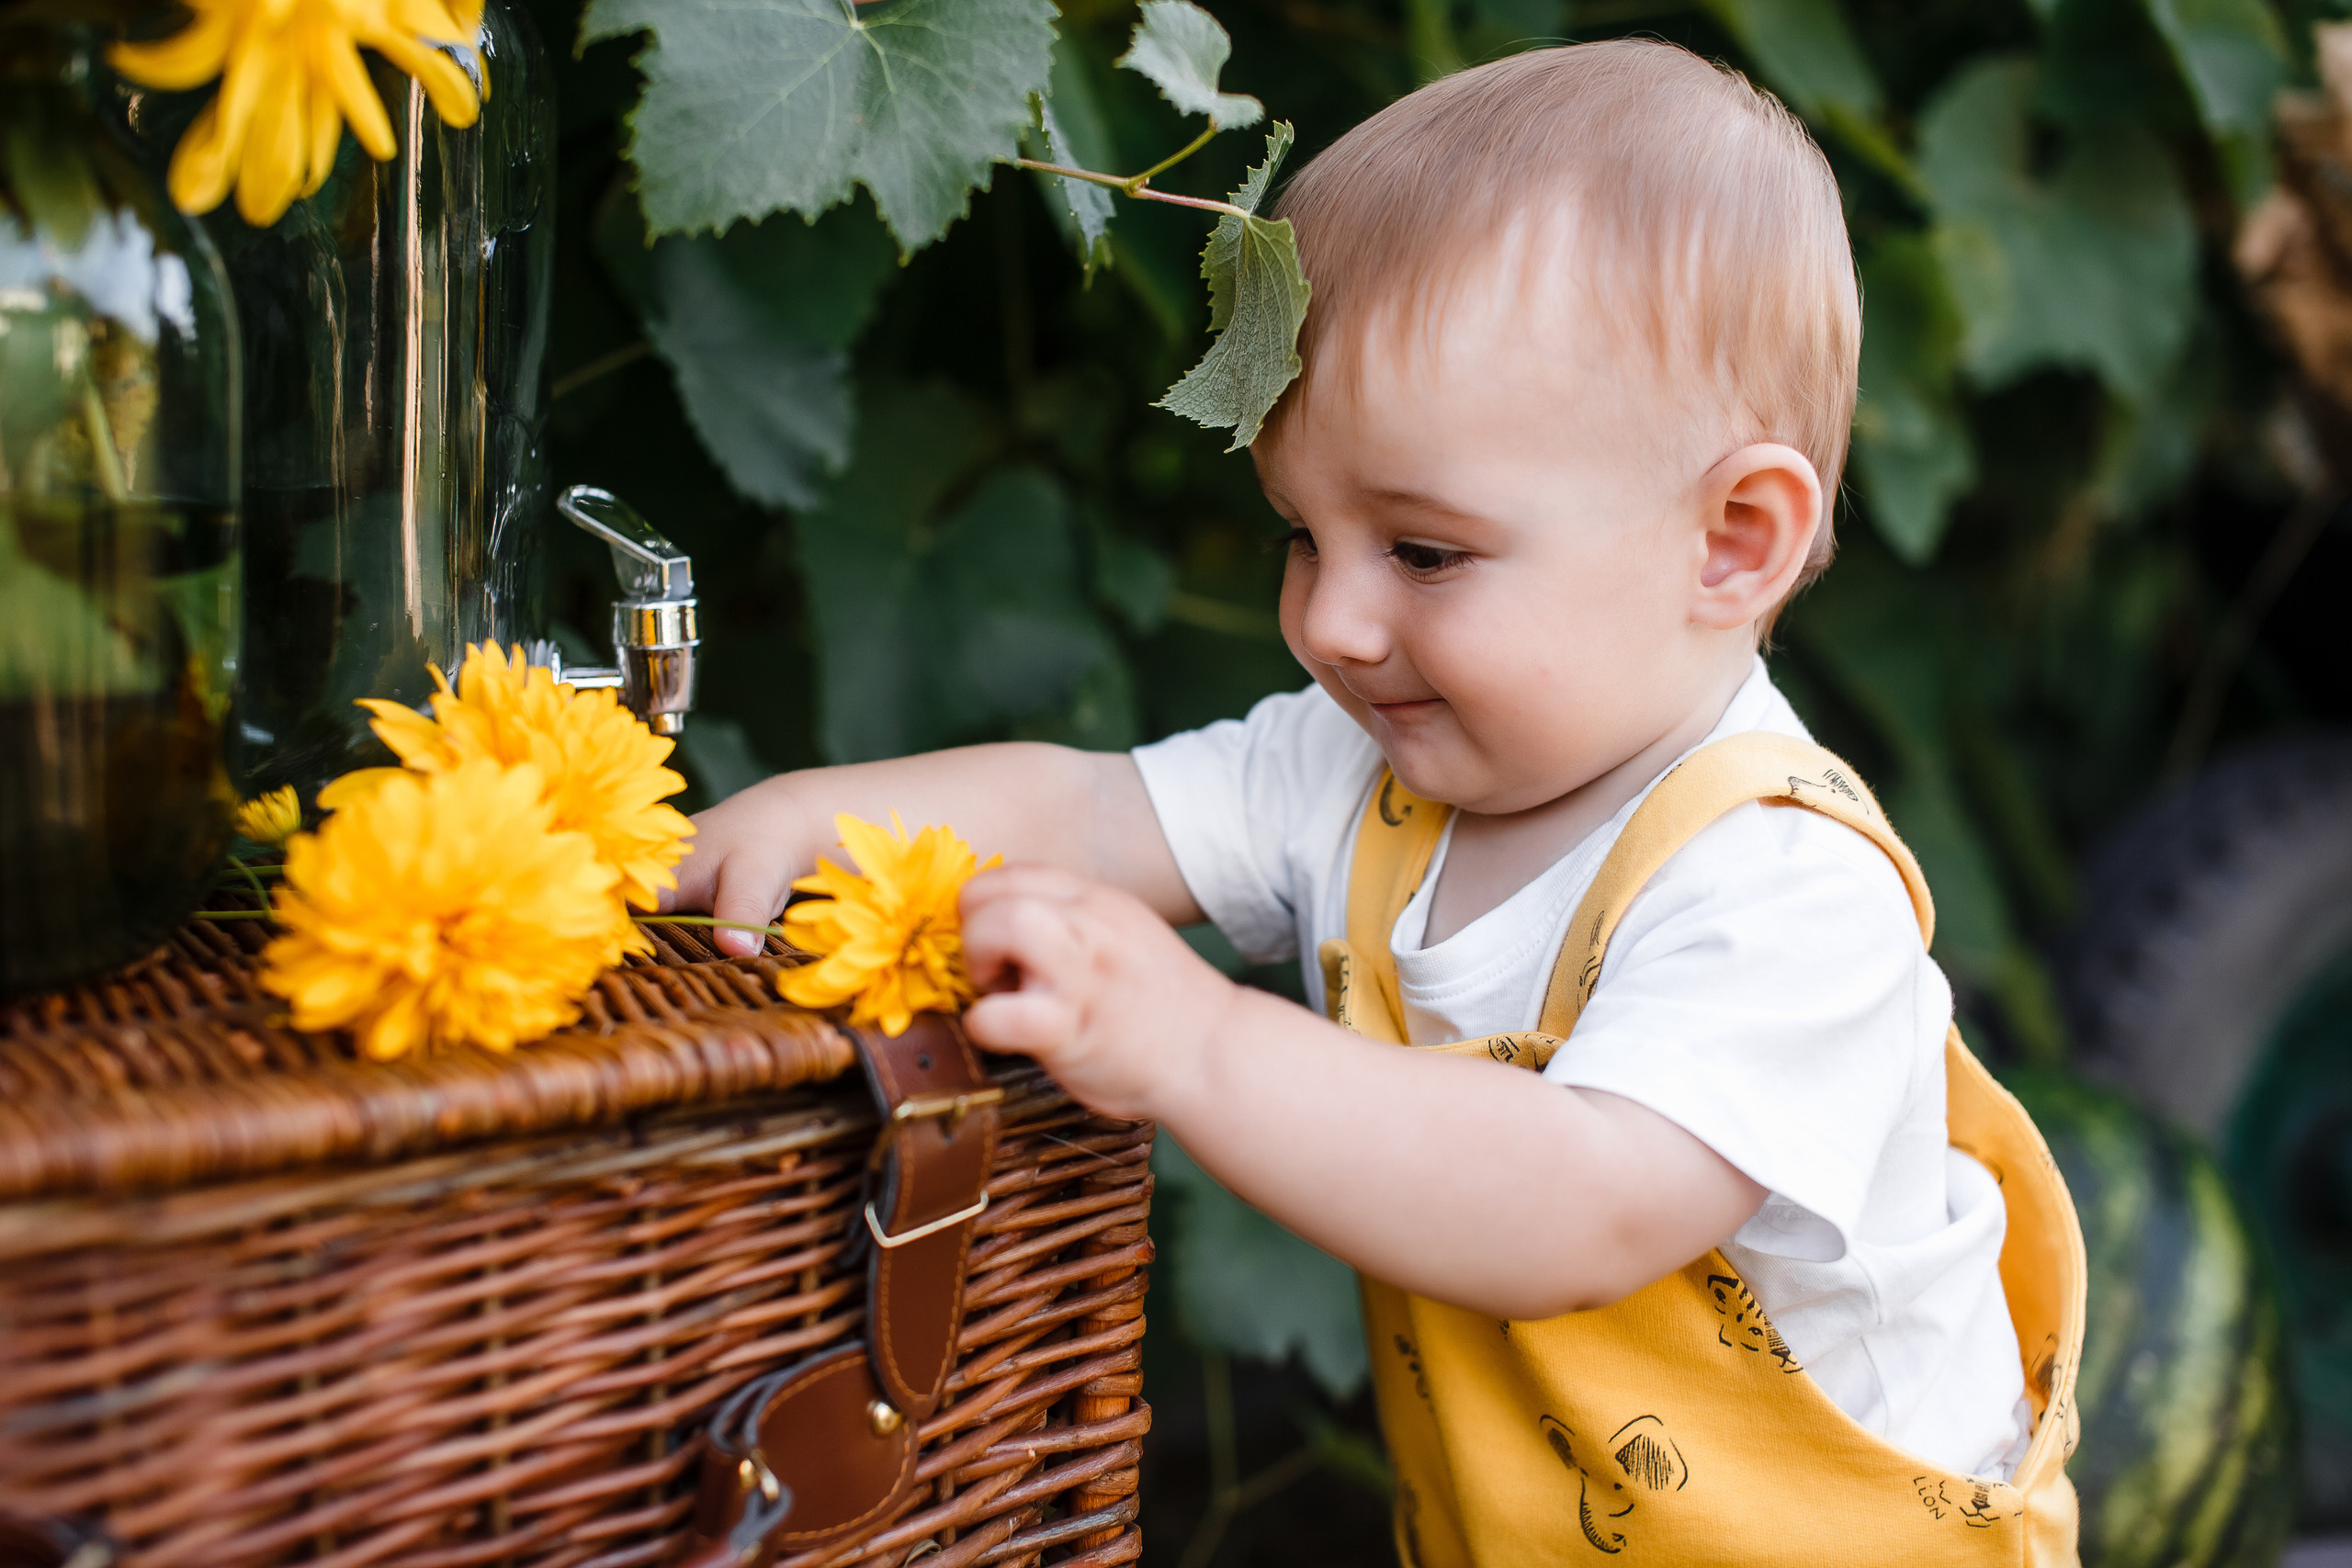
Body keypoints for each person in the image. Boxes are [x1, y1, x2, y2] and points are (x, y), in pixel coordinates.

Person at [672, 39, 2083, 1566]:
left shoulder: (1783, 894)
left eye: (1422, 553)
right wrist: (825, 814)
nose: (1332, 622)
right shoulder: (1365, 774)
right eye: (1299, 533)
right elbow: (1098, 811)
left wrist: (1199, 1040)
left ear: (1733, 541)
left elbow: (1576, 1201)